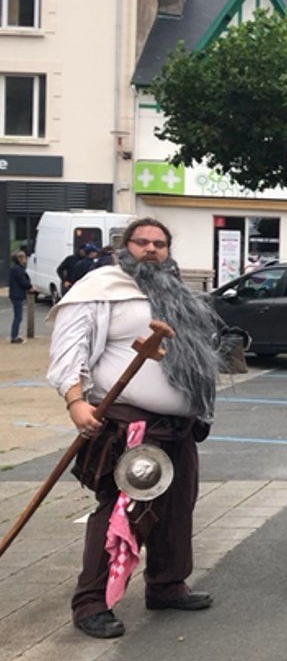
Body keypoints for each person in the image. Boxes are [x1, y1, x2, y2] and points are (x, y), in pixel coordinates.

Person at [47, 218, 221, 639]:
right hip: (130, 424)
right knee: (120, 512)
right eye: (141, 242)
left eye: (159, 243)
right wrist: (75, 402)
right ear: (124, 248)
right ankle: (91, 602)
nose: (151, 249)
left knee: (178, 507)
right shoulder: (102, 289)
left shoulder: (176, 294)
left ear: (168, 249)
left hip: (179, 426)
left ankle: (166, 585)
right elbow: (70, 348)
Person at [9, 250, 32, 343]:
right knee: (18, 316)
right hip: (17, 294)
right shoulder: (17, 269)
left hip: (16, 294)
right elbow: (23, 281)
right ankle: (14, 336)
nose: (25, 260)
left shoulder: (16, 268)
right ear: (19, 259)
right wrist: (30, 286)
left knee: (18, 316)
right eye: (24, 258)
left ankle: (15, 335)